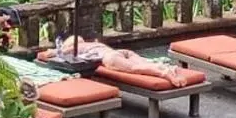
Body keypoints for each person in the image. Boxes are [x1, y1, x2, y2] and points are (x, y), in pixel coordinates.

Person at [57, 35, 191, 87]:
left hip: (110, 58)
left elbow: (55, 54)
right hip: (120, 51)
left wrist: (60, 47)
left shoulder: (75, 48)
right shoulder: (92, 43)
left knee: (135, 69)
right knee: (142, 63)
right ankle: (161, 67)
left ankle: (165, 73)